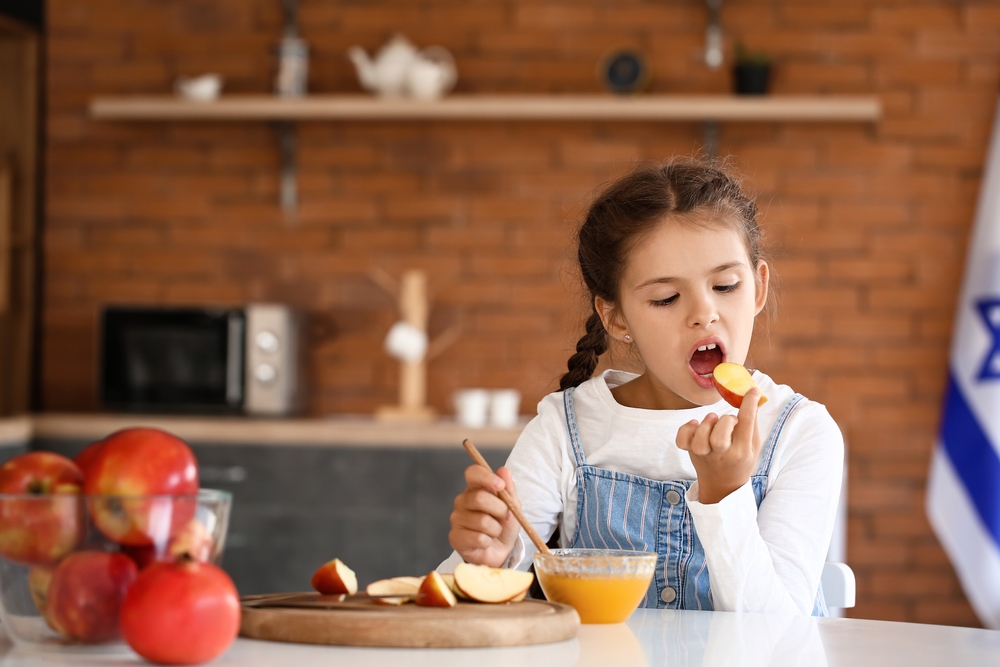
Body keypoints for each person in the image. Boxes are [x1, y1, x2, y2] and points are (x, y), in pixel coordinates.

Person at [440, 160, 844, 615]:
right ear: (616, 317)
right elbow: (450, 601)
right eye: (666, 298)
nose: (704, 312)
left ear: (757, 289)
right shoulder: (565, 428)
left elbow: (780, 637)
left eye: (726, 285)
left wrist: (724, 495)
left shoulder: (801, 432)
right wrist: (494, 563)